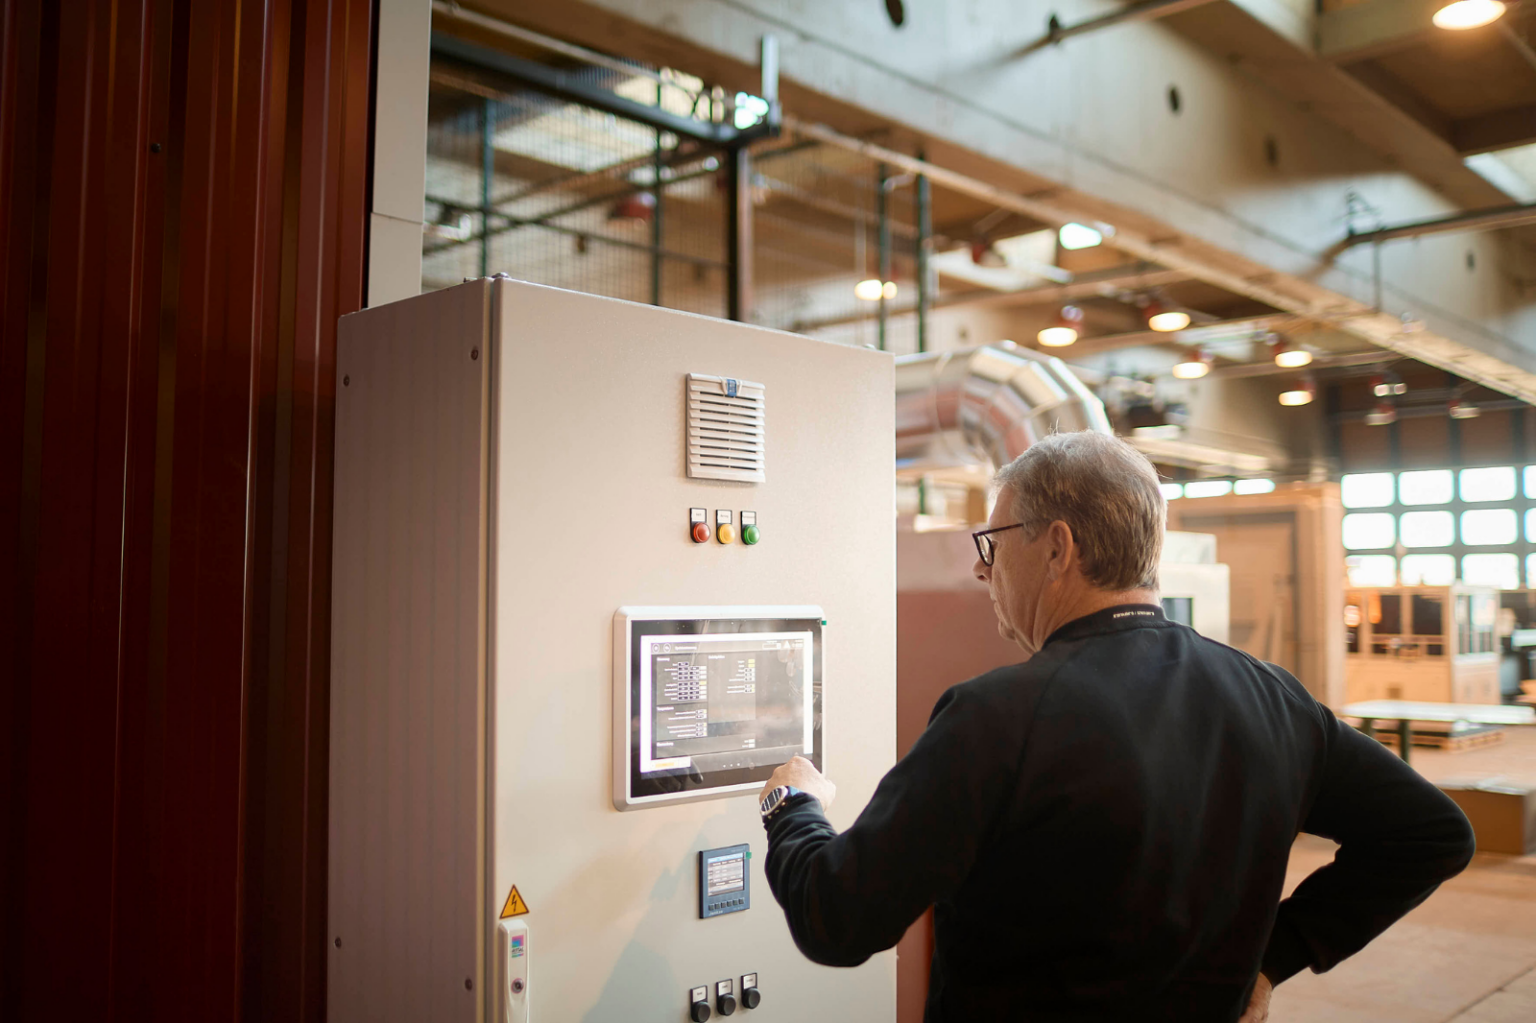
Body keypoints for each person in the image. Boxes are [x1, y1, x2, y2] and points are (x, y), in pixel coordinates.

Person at [757, 431, 1475, 1023]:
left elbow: (839, 918)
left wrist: (792, 806)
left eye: (993, 543)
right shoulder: (1272, 696)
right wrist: (1274, 957)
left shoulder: (996, 715)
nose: (984, 571)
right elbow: (1433, 833)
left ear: (1058, 547)